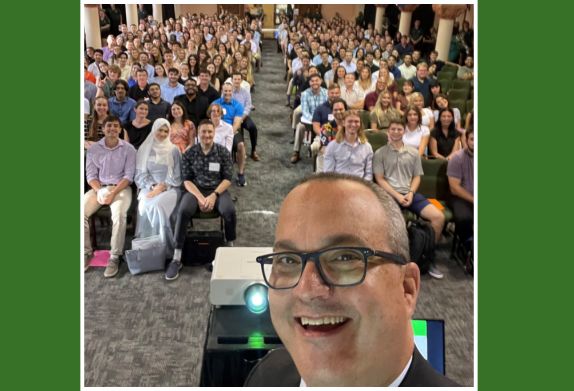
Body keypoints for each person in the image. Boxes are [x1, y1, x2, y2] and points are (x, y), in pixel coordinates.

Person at [245, 172, 459, 386]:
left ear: (407, 288)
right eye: (288, 260)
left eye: (344, 257)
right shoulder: (266, 375)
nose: (306, 289)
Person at [373, 119, 446, 279]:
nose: (396, 132)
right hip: (390, 195)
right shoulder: (380, 154)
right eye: (393, 129)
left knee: (438, 217)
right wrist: (398, 196)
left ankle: (428, 258)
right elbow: (380, 179)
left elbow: (416, 177)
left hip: (410, 194)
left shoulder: (413, 153)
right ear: (388, 132)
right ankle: (392, 263)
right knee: (390, 223)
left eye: (399, 129)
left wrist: (411, 193)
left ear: (403, 132)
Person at [167, 120, 237, 280]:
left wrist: (213, 195)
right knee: (183, 211)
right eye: (203, 132)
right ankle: (177, 257)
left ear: (214, 133)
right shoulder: (190, 153)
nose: (207, 135)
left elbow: (227, 179)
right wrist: (199, 197)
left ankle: (230, 248)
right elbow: (186, 180)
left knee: (229, 211)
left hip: (217, 190)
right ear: (198, 133)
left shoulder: (223, 152)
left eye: (210, 132)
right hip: (195, 190)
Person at [84, 115, 136, 277]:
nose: (112, 129)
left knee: (119, 215)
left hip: (121, 188)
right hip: (99, 188)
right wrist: (100, 191)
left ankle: (115, 256)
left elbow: (128, 176)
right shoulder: (93, 149)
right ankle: (86, 251)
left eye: (115, 126)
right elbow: (91, 175)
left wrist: (112, 192)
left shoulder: (129, 149)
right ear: (103, 129)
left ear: (120, 130)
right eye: (109, 126)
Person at [134, 118, 182, 257]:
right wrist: (153, 186)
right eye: (160, 130)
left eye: (166, 131)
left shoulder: (174, 150)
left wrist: (163, 186)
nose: (162, 133)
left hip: (171, 187)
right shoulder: (144, 149)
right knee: (144, 204)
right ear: (154, 129)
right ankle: (148, 248)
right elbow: (140, 174)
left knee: (158, 206)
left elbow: (178, 175)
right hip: (149, 186)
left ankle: (165, 249)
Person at [323, 110, 373, 181]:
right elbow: (328, 174)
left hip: (359, 185)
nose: (353, 124)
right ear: (343, 123)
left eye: (356, 122)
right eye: (350, 121)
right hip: (339, 185)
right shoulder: (332, 146)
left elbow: (368, 174)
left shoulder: (367, 147)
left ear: (360, 124)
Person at [447, 126, 474, 248]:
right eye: (472, 139)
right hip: (460, 197)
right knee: (465, 218)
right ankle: (468, 246)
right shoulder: (457, 158)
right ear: (467, 140)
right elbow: (454, 188)